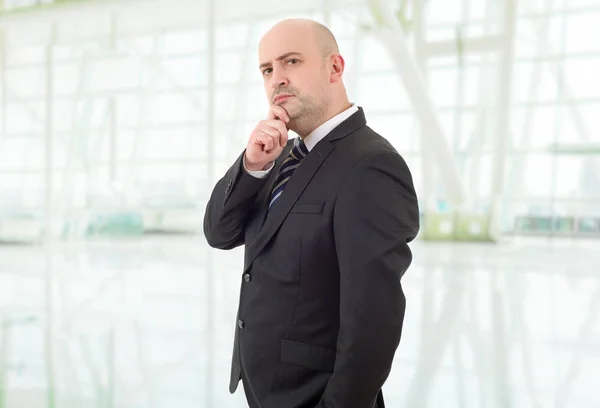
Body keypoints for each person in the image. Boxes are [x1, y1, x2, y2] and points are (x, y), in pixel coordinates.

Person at [203, 18, 420, 408]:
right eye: (267, 70)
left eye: (291, 62)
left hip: (316, 397)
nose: (276, 79)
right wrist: (253, 166)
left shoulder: (371, 166)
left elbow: (372, 327)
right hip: (267, 391)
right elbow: (219, 233)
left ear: (334, 68)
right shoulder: (279, 157)